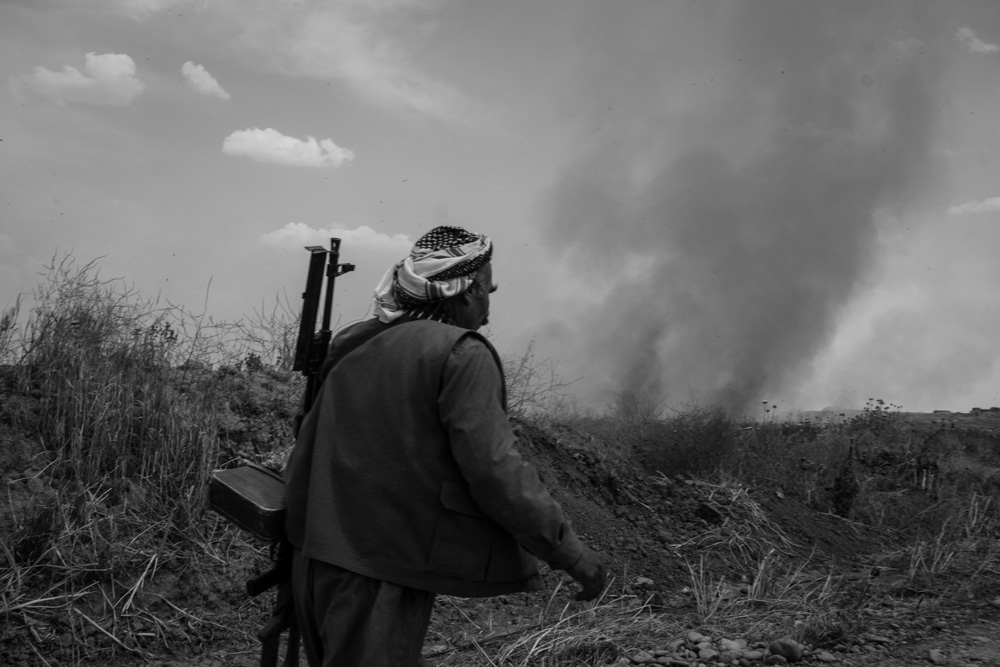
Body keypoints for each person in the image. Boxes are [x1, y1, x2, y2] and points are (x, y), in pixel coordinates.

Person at [283, 226, 606, 667]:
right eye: (487, 291)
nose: (489, 308)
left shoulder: (357, 342)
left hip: (313, 557)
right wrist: (570, 554)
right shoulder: (461, 354)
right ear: (468, 291)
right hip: (378, 570)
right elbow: (497, 472)